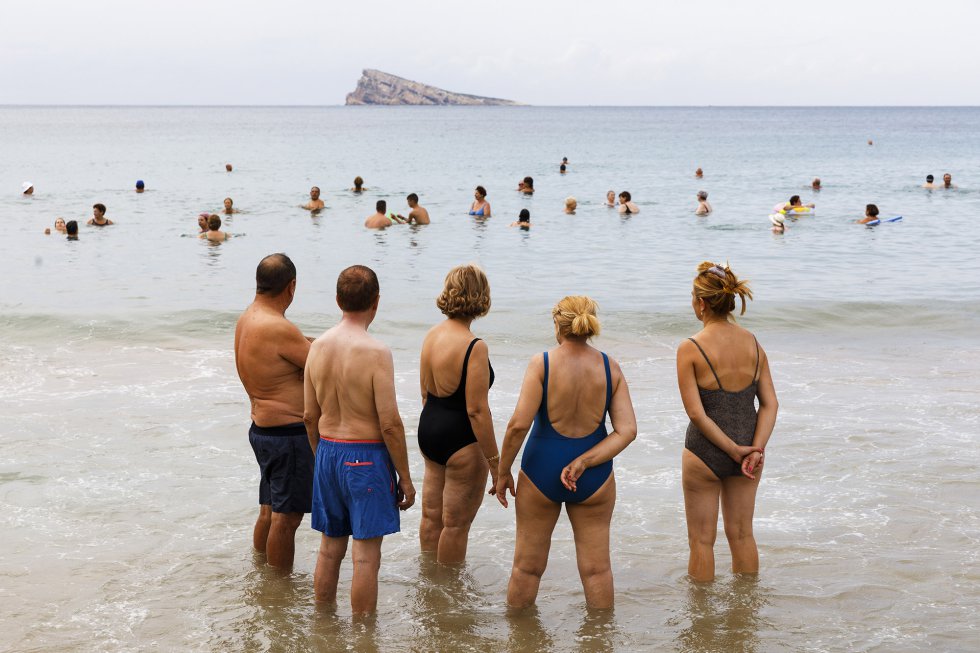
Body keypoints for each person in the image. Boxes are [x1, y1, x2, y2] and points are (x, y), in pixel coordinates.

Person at [495, 296, 637, 608]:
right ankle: (599, 640)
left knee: (526, 568)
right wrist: (585, 461)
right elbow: (627, 430)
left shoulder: (542, 363)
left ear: (557, 324)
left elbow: (518, 425)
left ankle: (520, 640)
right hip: (593, 475)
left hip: (539, 472)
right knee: (597, 570)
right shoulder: (609, 367)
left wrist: (502, 471)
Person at [305, 265, 416, 613]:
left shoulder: (317, 347)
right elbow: (390, 424)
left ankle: (323, 629)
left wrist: (320, 455)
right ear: (377, 302)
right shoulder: (375, 352)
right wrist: (406, 479)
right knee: (366, 560)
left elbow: (309, 415)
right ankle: (362, 639)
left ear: (338, 300)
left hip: (327, 451)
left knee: (328, 549)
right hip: (366, 458)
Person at [676, 262, 777, 583]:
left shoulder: (689, 348)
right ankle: (745, 615)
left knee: (702, 541)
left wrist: (731, 449)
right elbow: (770, 403)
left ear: (702, 303)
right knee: (743, 535)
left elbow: (696, 413)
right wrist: (754, 449)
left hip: (705, 453)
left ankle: (701, 620)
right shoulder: (753, 343)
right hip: (750, 452)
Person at [234, 253, 315, 570]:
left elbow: (308, 357)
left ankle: (262, 575)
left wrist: (306, 360)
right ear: (291, 286)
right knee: (288, 516)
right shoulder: (278, 327)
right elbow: (324, 366)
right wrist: (308, 366)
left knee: (269, 509)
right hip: (288, 436)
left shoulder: (248, 318)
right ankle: (278, 590)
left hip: (263, 431)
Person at [417, 265, 498, 563]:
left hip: (429, 429)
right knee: (455, 525)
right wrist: (495, 463)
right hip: (460, 438)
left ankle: (428, 582)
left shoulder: (431, 335)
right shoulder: (474, 346)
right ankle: (448, 600)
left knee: (431, 518)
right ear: (481, 296)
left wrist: (434, 429)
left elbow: (424, 392)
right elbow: (476, 411)